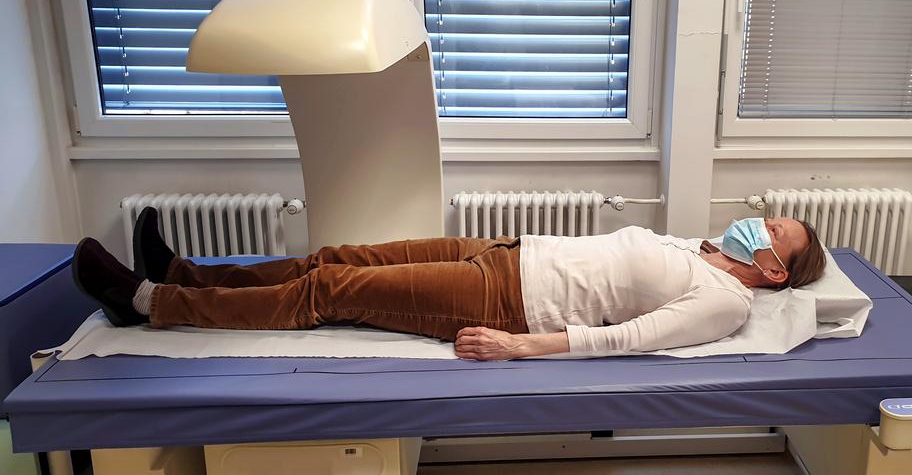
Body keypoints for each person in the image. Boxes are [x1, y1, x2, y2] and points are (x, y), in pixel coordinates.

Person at [73, 208, 826, 361]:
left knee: (328, 289)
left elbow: (628, 337)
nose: (759, 218)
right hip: (498, 250)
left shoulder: (727, 301)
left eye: (775, 230)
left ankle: (147, 304)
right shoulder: (703, 246)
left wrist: (519, 346)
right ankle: (183, 273)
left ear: (772, 270)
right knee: (333, 254)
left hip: (503, 300)